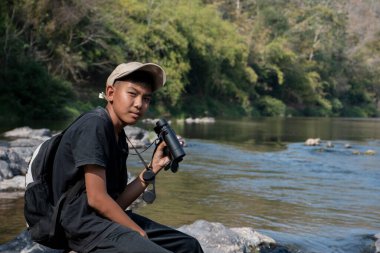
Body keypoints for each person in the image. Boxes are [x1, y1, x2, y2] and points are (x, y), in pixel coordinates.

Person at [52, 62, 204, 253]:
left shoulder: (119, 136)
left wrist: (153, 167)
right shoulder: (95, 124)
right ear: (110, 93)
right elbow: (97, 199)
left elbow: (115, 204)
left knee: (189, 246)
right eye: (132, 94)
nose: (139, 104)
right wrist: (137, 232)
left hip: (101, 221)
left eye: (146, 98)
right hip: (80, 227)